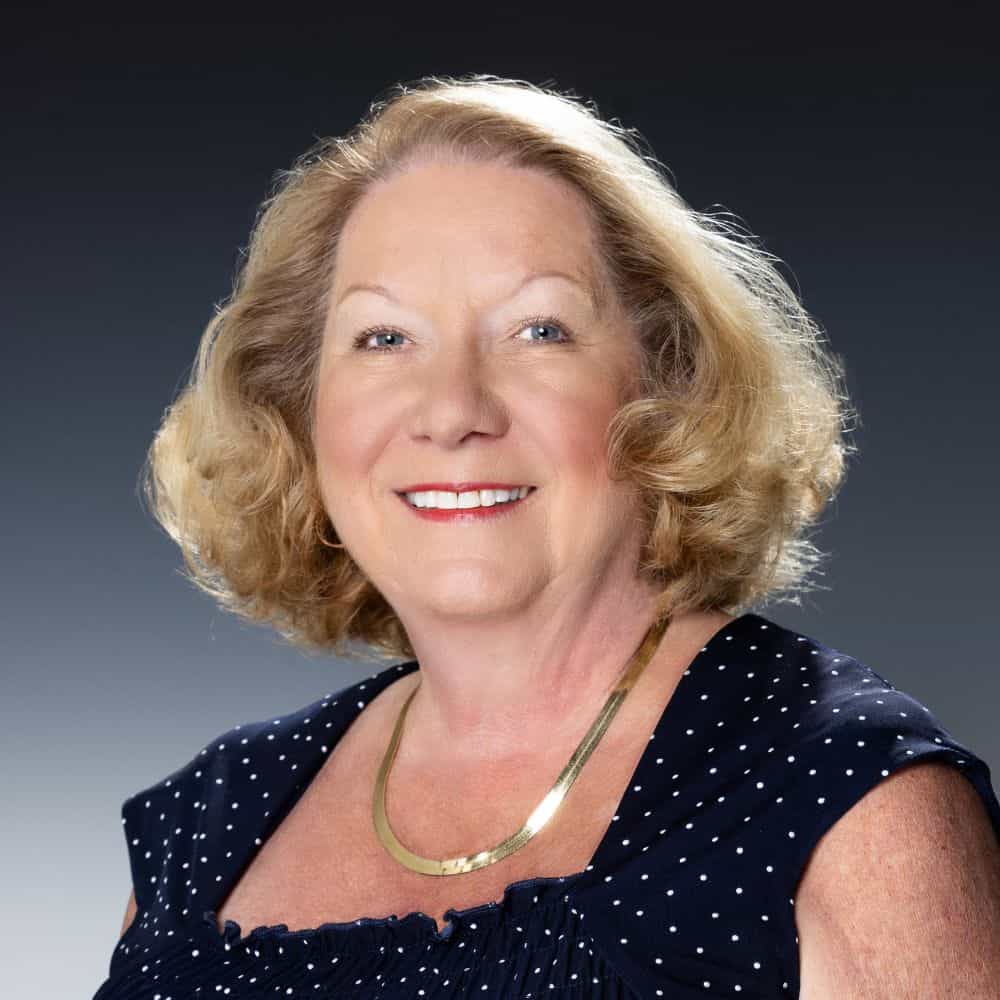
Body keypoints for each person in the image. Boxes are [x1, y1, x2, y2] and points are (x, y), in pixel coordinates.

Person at [93, 74, 1000, 999]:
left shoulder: (836, 793)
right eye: (384, 339)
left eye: (538, 329)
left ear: (666, 385)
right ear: (300, 410)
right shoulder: (209, 823)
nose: (451, 412)